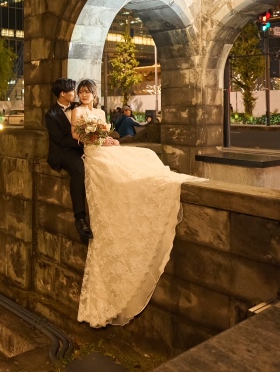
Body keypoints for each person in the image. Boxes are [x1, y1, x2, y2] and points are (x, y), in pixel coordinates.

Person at [70, 79, 204, 328]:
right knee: (124, 167)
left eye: (88, 91)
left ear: (94, 94)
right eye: (81, 92)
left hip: (103, 147)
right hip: (93, 154)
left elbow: (105, 133)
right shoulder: (77, 111)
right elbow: (76, 134)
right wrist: (97, 139)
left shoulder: (99, 112)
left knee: (144, 154)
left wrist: (107, 139)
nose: (84, 95)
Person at [45, 78, 117, 239]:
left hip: (85, 147)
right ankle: (80, 217)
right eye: (74, 91)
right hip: (64, 151)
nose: (78, 94)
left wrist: (103, 139)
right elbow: (61, 140)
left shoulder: (79, 108)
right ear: (63, 94)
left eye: (85, 91)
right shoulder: (51, 115)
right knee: (79, 168)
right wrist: (93, 140)